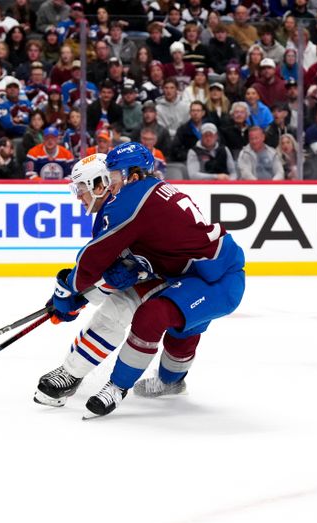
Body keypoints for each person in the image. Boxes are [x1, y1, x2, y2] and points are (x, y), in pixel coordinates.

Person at [36, 143, 245, 417]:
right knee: (120, 305)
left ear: (129, 175)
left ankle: (123, 386)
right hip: (173, 270)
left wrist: (68, 292)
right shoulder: (139, 195)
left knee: (158, 319)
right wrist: (82, 295)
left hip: (212, 277)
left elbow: (92, 261)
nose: (110, 185)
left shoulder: (130, 200)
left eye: (112, 177)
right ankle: (71, 373)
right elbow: (113, 271)